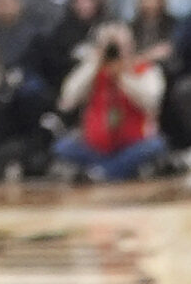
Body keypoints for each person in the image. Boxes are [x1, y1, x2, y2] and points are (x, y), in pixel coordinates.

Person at [53, 18, 168, 180]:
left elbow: (151, 100)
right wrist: (94, 64)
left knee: (156, 146)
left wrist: (122, 75)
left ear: (131, 45)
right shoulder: (92, 71)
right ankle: (111, 171)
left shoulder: (145, 70)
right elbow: (68, 99)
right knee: (62, 147)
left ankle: (100, 173)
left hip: (132, 145)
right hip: (95, 147)